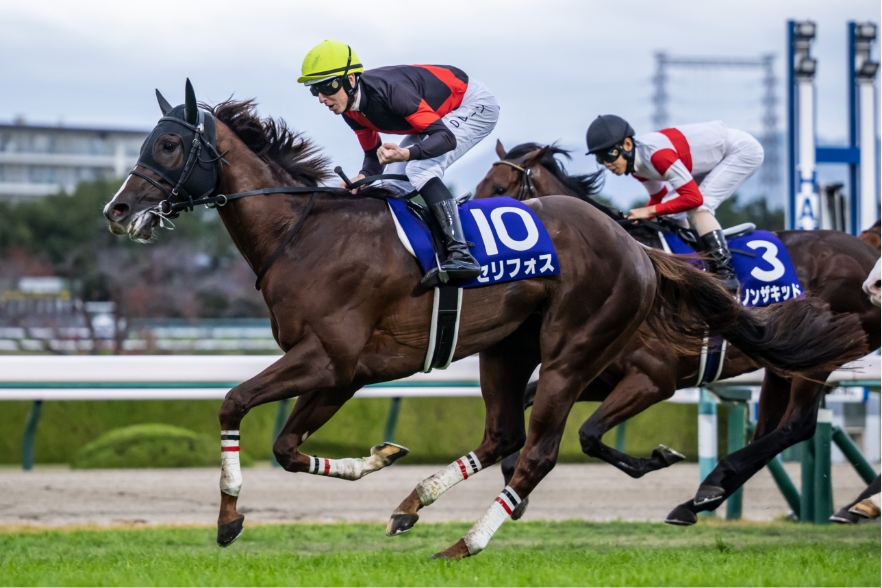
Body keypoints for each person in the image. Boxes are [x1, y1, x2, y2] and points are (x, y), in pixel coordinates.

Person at [299, 40, 500, 284]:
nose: (321, 98)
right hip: (438, 115)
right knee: (393, 183)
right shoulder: (350, 110)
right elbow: (373, 155)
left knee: (419, 167)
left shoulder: (393, 92)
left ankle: (461, 254)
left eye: (325, 87)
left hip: (472, 104)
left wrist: (407, 154)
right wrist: (362, 178)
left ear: (350, 80)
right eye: (314, 90)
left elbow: (445, 138)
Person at [586, 115, 764, 292]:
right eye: (599, 158)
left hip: (740, 151)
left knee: (701, 206)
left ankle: (726, 275)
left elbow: (694, 198)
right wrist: (638, 216)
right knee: (669, 208)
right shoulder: (637, 168)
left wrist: (647, 212)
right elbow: (659, 198)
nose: (606, 164)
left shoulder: (658, 156)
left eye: (609, 155)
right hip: (714, 159)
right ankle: (690, 261)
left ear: (627, 145)